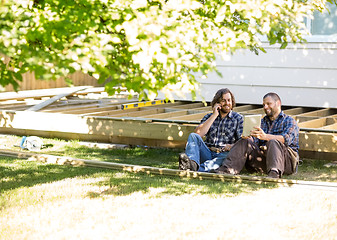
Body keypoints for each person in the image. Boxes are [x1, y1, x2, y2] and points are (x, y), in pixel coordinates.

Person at [213, 92, 299, 178]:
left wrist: (266, 137)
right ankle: (226, 170)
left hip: (286, 162)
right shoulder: (261, 122)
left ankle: (274, 174)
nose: (265, 107)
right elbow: (254, 142)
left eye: (269, 104)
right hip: (264, 160)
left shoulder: (289, 121)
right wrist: (243, 141)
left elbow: (286, 139)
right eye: (264, 105)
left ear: (278, 103)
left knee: (273, 142)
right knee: (245, 141)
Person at [178, 88, 243, 172]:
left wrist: (231, 146)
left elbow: (242, 142)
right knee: (193, 136)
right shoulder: (209, 117)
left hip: (224, 154)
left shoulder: (238, 118)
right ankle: (192, 163)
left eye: (229, 100)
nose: (227, 103)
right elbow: (198, 134)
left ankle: (195, 169)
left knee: (226, 157)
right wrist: (214, 115)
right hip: (208, 152)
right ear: (217, 103)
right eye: (223, 100)